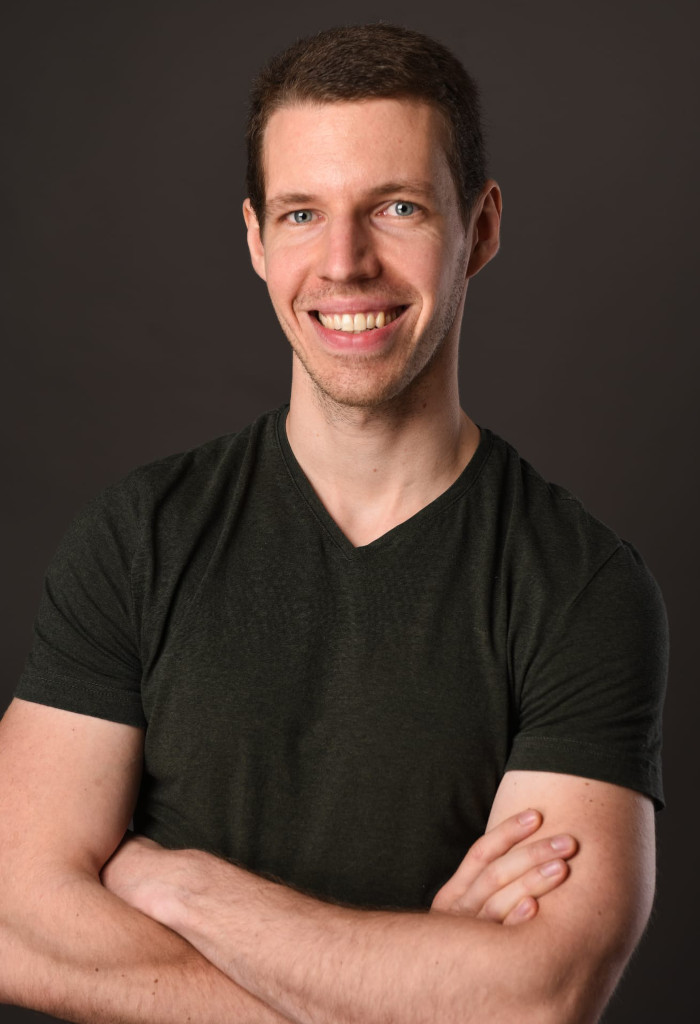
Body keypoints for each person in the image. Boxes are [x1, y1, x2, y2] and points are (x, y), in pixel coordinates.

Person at [0, 23, 667, 1024]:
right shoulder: (139, 536)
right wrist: (402, 995)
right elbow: (13, 922)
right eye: (302, 213)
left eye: (396, 208)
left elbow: (535, 997)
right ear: (256, 239)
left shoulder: (579, 587)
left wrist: (186, 887)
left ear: (480, 228)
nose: (344, 263)